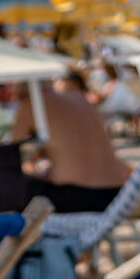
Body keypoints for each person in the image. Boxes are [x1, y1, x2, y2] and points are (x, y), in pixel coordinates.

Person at [23, 67, 133, 211]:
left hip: (76, 196)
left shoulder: (33, 105)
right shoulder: (87, 103)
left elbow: (16, 161)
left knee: (15, 187)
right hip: (114, 194)